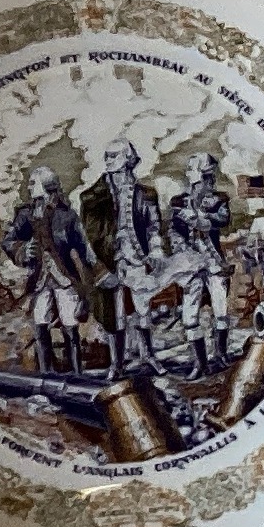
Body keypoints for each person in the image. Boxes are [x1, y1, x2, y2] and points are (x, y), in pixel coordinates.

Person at [79, 138, 167, 372]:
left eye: (114, 156)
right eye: (107, 156)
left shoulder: (146, 194)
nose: (109, 161)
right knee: (114, 314)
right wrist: (99, 269)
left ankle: (148, 356)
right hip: (110, 262)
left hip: (137, 259)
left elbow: (153, 226)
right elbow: (88, 238)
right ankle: (116, 364)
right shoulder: (92, 198)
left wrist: (156, 249)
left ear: (128, 161)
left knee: (143, 309)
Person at [0, 164, 97, 375]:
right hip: (40, 280)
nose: (29, 187)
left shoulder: (67, 216)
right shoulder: (25, 215)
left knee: (70, 325)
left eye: (33, 183)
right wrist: (22, 250)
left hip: (65, 279)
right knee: (40, 323)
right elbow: (7, 240)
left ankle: (76, 374)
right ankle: (46, 374)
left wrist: (93, 274)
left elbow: (84, 248)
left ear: (46, 186)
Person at [167, 151, 235, 374]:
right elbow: (173, 232)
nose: (210, 181)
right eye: (206, 177)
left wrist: (200, 218)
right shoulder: (178, 203)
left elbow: (223, 219)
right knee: (190, 316)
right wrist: (182, 251)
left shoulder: (219, 200)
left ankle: (221, 354)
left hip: (214, 263)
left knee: (221, 311)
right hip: (191, 266)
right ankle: (200, 363)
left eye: (210, 177)